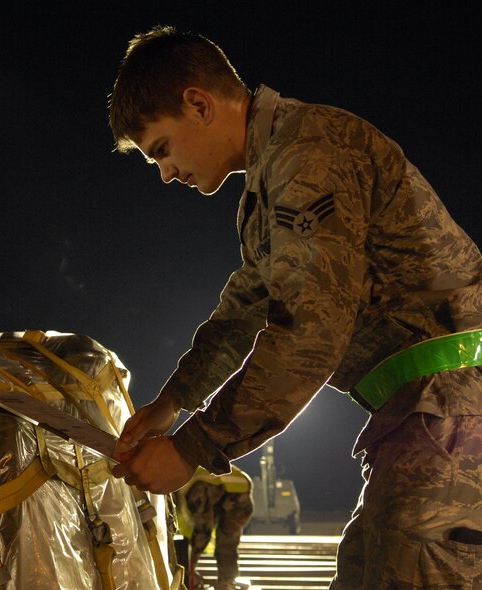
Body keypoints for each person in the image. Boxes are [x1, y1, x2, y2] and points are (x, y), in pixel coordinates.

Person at [106, 25, 482, 588]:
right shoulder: (273, 178)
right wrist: (173, 401)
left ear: (199, 104)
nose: (165, 173)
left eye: (161, 149)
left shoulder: (309, 155)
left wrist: (192, 447)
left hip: (454, 411)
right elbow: (241, 312)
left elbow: (309, 332)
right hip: (423, 414)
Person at [175, 466, 253, 590]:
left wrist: (189, 568)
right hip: (240, 491)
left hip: (231, 493)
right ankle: (227, 581)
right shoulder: (190, 479)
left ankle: (195, 576)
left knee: (215, 537)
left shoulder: (194, 489)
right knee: (227, 541)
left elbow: (203, 528)